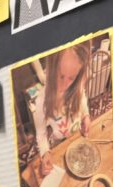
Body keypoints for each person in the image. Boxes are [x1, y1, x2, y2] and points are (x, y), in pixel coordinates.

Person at [28, 42, 92, 176]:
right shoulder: (41, 101)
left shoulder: (76, 86)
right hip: (59, 145)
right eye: (61, 76)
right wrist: (45, 153)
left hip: (78, 137)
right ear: (51, 69)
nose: (65, 85)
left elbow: (83, 99)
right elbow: (41, 134)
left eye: (71, 78)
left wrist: (86, 116)